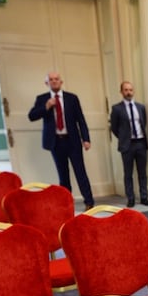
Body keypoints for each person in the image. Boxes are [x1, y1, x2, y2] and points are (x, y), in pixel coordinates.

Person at [28, 71, 94, 209]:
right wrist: (46, 107)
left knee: (80, 172)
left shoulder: (72, 98)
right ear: (47, 83)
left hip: (73, 141)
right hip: (56, 142)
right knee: (63, 175)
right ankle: (67, 204)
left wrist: (86, 138)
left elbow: (80, 120)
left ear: (61, 82)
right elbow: (32, 116)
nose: (54, 81)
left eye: (56, 79)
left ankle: (89, 202)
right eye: (51, 79)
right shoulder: (42, 99)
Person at [109, 81, 148, 207]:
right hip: (127, 145)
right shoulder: (117, 108)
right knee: (128, 173)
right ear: (121, 92)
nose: (128, 92)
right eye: (126, 90)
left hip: (141, 143)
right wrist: (123, 137)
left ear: (133, 91)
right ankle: (130, 198)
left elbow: (144, 123)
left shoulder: (141, 107)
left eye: (130, 90)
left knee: (142, 172)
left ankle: (144, 197)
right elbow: (114, 127)